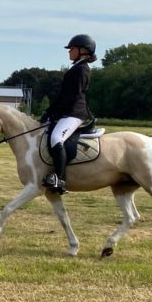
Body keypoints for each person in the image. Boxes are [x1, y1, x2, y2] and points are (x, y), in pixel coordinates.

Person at [40, 34, 97, 194]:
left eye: (72, 49)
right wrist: (49, 113)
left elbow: (72, 96)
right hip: (68, 112)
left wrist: (56, 113)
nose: (69, 52)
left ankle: (60, 179)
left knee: (56, 138)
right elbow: (63, 96)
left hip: (75, 113)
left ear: (83, 50)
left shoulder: (82, 69)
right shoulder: (76, 67)